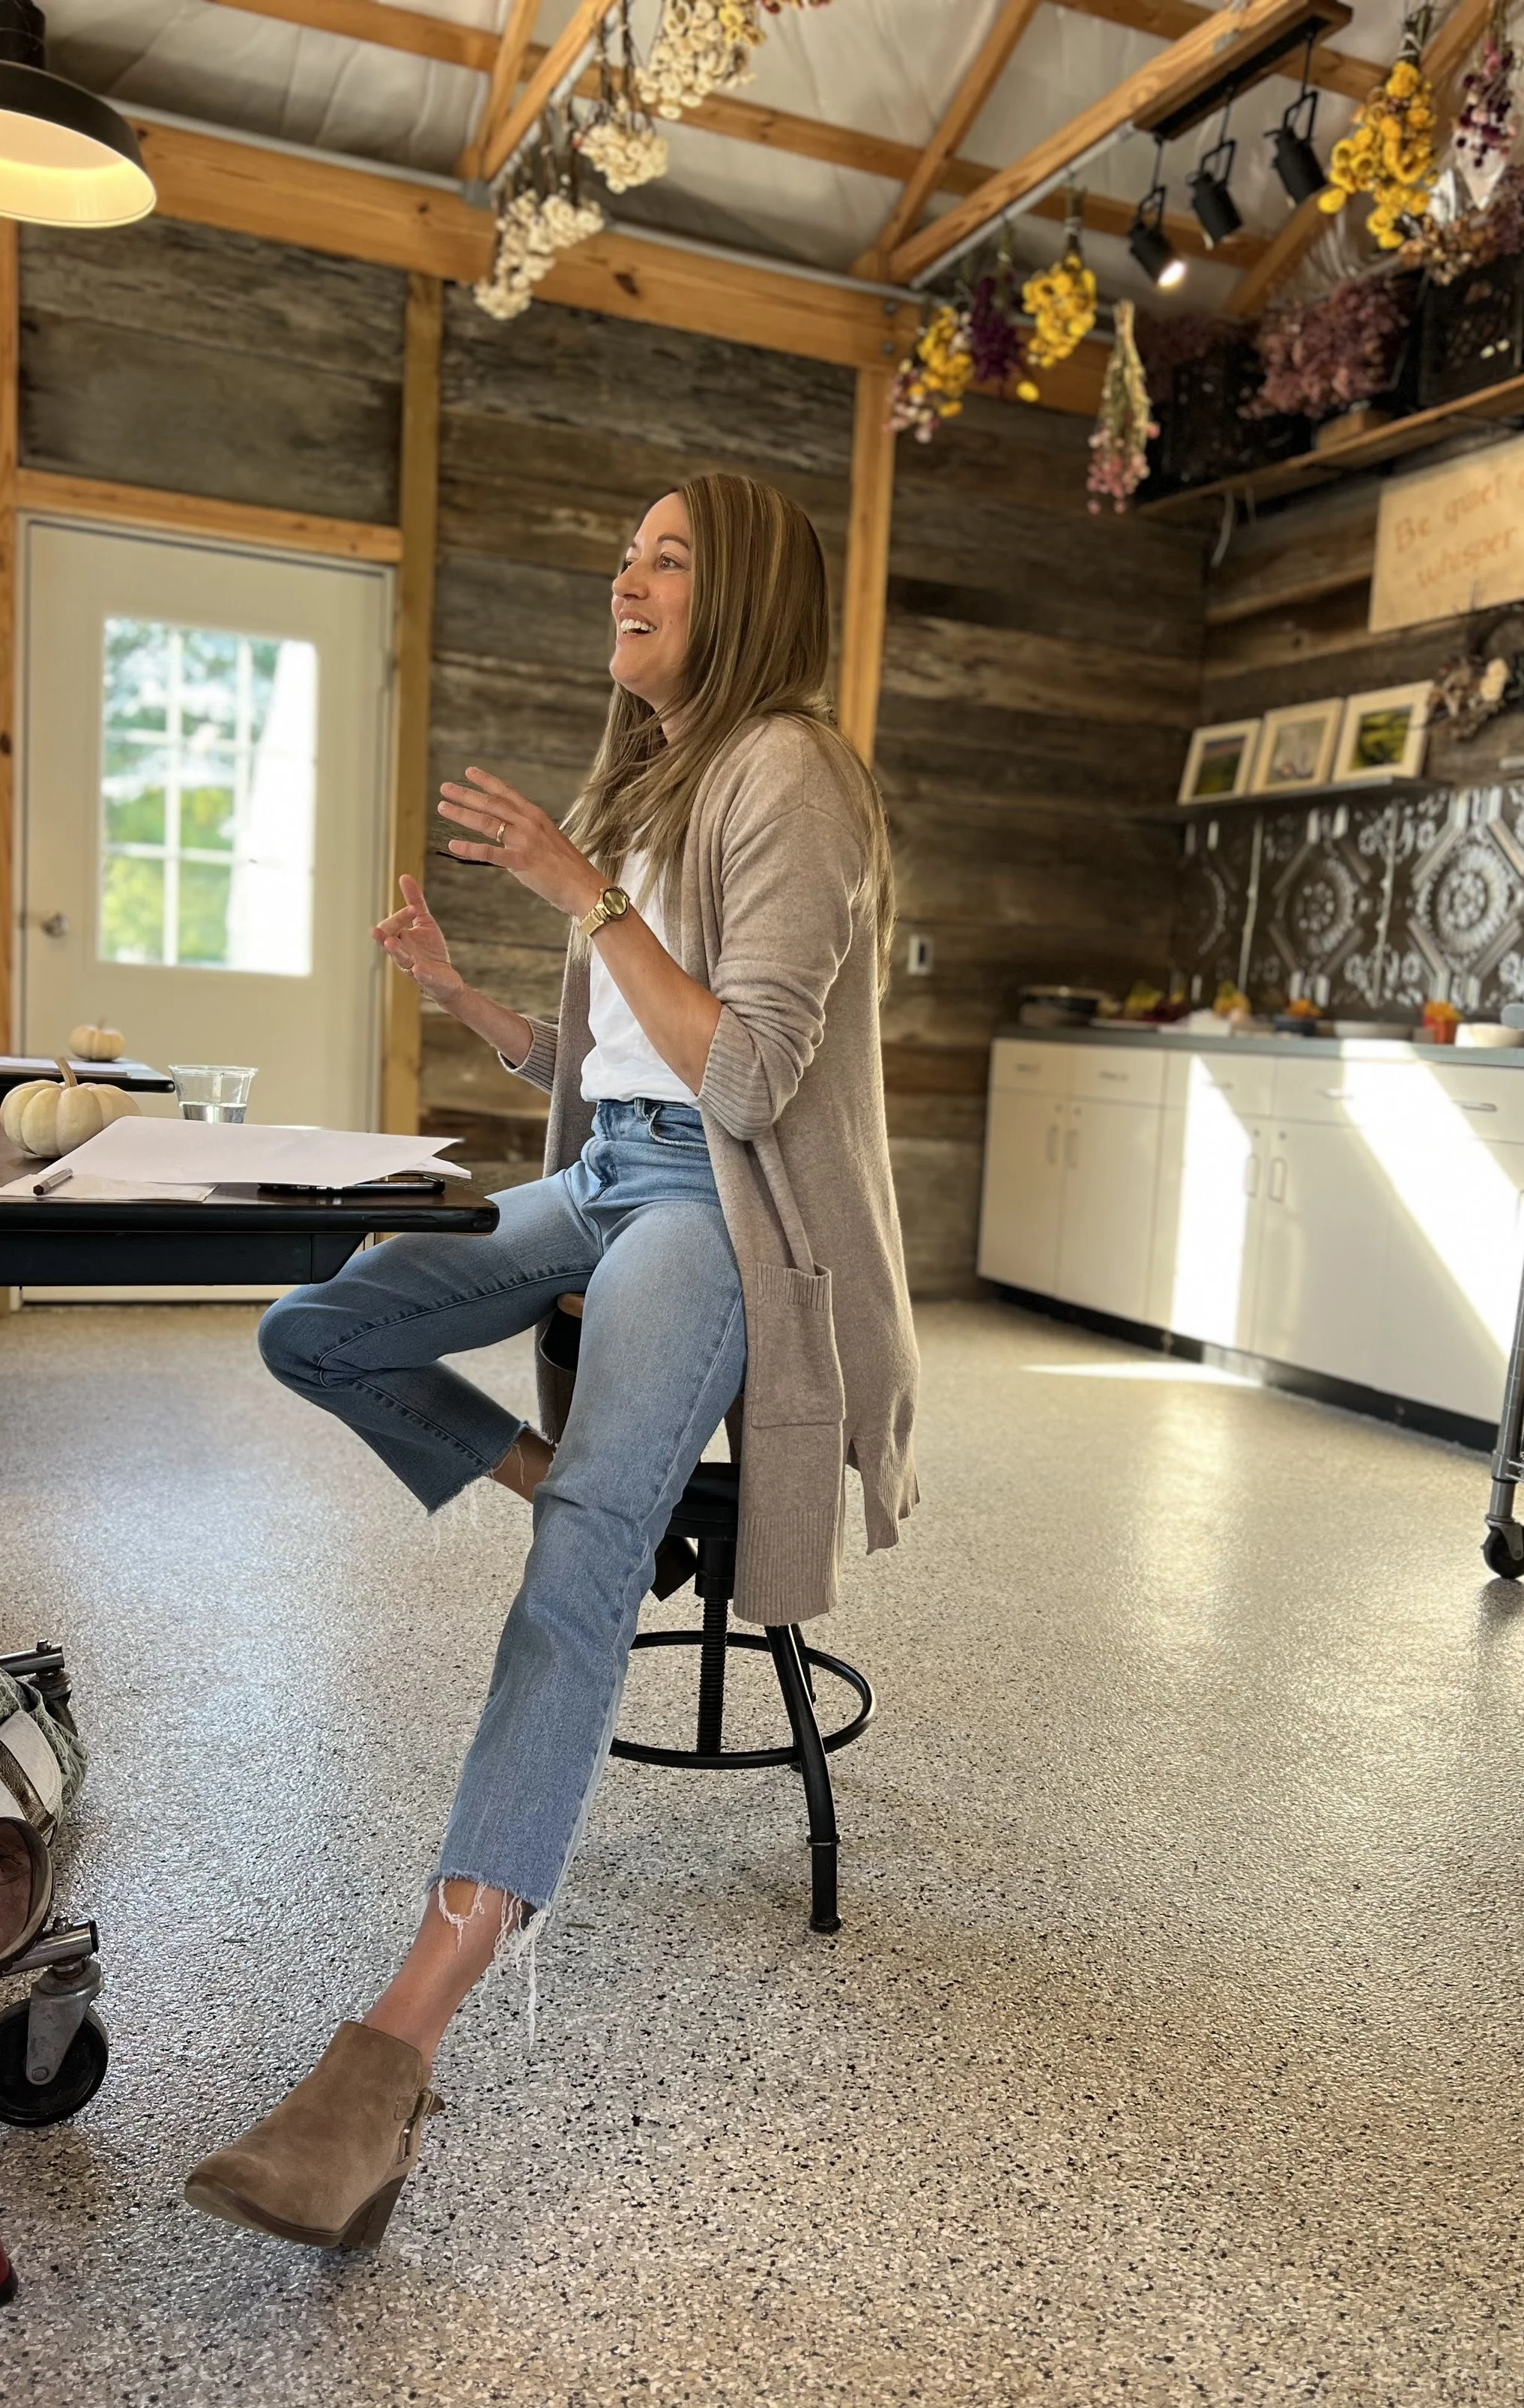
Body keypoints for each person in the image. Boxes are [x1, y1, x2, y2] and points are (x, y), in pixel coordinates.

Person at [185, 470, 919, 2251]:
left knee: (575, 1571)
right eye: (627, 546)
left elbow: (739, 1085)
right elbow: (609, 1075)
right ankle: (573, 1483)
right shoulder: (656, 778)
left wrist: (581, 888)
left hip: (722, 1222)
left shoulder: (793, 775)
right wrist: (461, 991)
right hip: (607, 1177)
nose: (627, 571)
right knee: (318, 1323)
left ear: (739, 589)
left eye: (668, 554)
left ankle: (386, 2059)